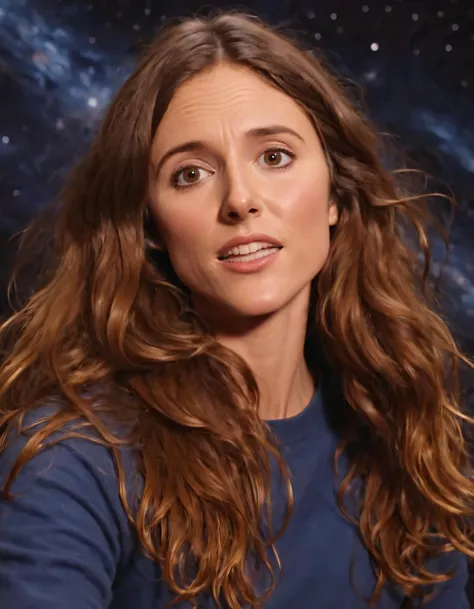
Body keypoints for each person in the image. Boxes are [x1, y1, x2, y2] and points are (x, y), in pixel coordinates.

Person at [0, 11, 473, 609]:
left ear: (336, 193)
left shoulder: (400, 425)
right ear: (149, 226)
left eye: (274, 157)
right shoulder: (74, 462)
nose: (241, 200)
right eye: (190, 174)